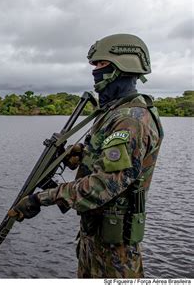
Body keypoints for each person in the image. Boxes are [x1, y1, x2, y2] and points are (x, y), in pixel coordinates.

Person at [8, 34, 164, 278]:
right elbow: (107, 163)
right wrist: (79, 155)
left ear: (122, 67)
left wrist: (40, 199)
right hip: (96, 236)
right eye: (94, 66)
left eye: (101, 65)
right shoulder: (112, 113)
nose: (95, 72)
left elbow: (104, 185)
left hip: (116, 250)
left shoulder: (130, 120)